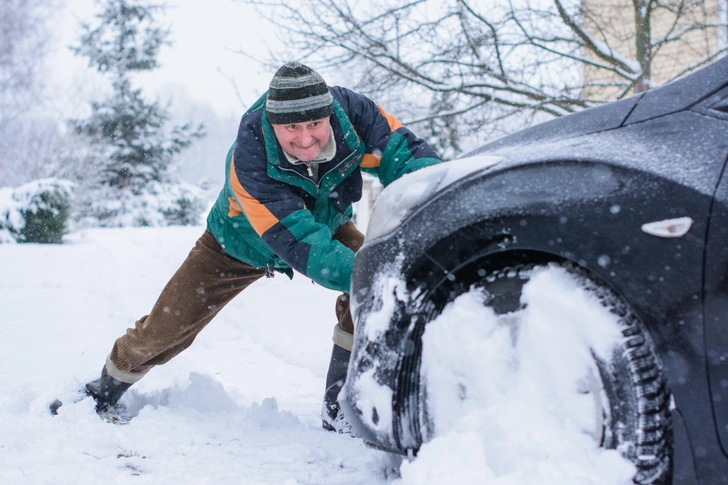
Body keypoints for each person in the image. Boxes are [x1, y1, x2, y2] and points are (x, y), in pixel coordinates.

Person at [57, 62, 442, 431]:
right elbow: (303, 244)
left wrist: (443, 211)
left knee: (374, 288)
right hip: (236, 245)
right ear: (273, 124)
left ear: (330, 115)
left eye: (314, 124)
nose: (306, 138)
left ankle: (338, 408)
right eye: (291, 126)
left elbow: (408, 159)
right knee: (165, 329)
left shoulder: (356, 117)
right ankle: (101, 391)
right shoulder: (250, 158)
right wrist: (378, 273)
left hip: (328, 224)